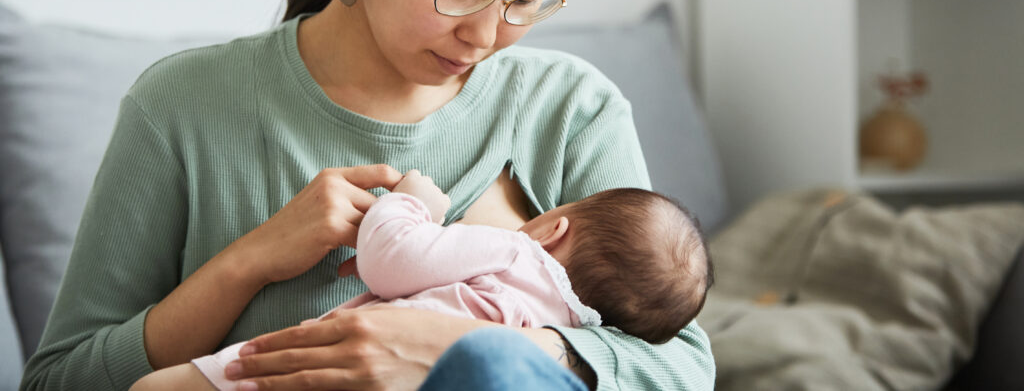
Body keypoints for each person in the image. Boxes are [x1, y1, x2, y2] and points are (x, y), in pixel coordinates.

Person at [20, 0, 715, 391]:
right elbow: (59, 379)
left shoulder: (570, 110)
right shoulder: (181, 107)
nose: (486, 34)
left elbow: (681, 363)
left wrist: (483, 348)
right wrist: (248, 261)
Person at [129, 172, 713, 390]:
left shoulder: (514, 251)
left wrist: (411, 203)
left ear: (553, 227)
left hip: (315, 365)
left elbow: (391, 258)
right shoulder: (558, 325)